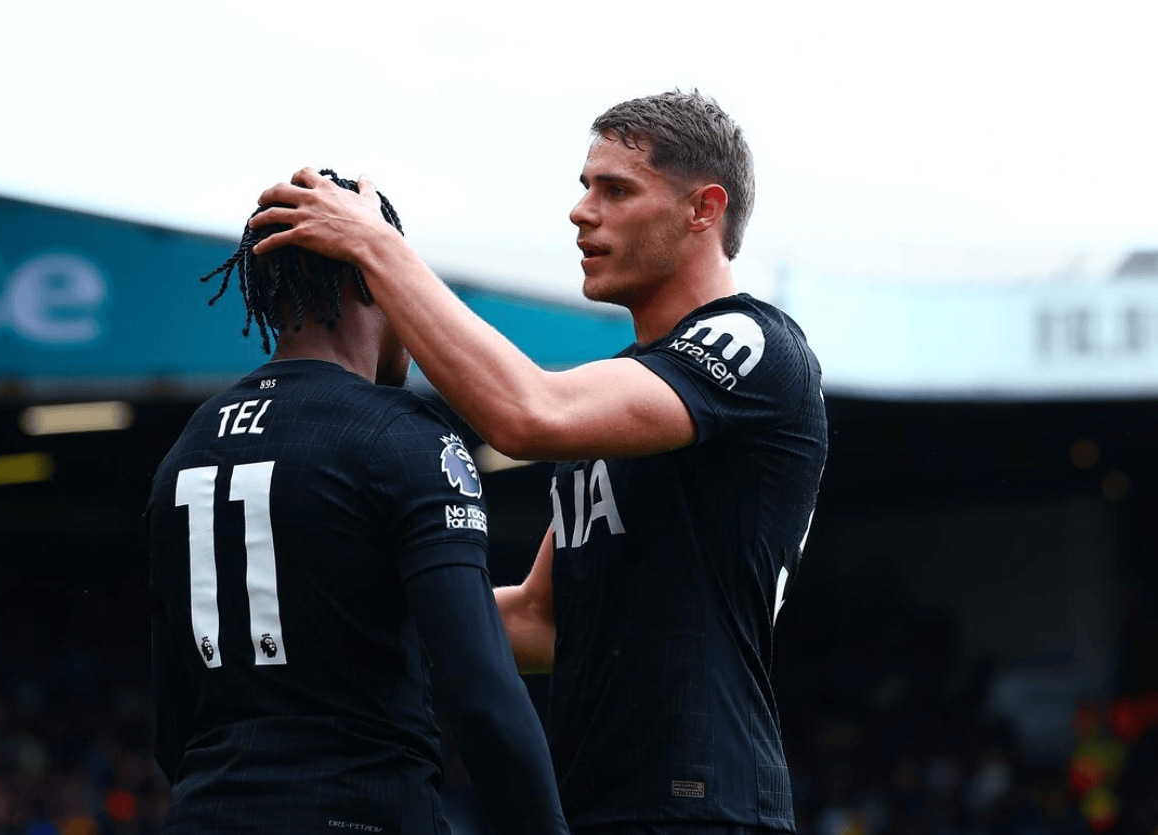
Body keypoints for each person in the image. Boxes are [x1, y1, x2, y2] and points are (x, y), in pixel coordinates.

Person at [251, 91, 829, 834]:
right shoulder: (624, 391)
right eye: (586, 187)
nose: (581, 211)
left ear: (703, 209)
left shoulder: (753, 342)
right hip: (598, 805)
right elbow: (543, 618)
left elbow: (529, 414)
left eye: (616, 190)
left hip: (704, 803)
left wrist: (377, 248)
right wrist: (331, 611)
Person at [145, 171, 568, 835]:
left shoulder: (188, 446)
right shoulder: (402, 436)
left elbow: (171, 721)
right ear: (370, 278)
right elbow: (482, 695)